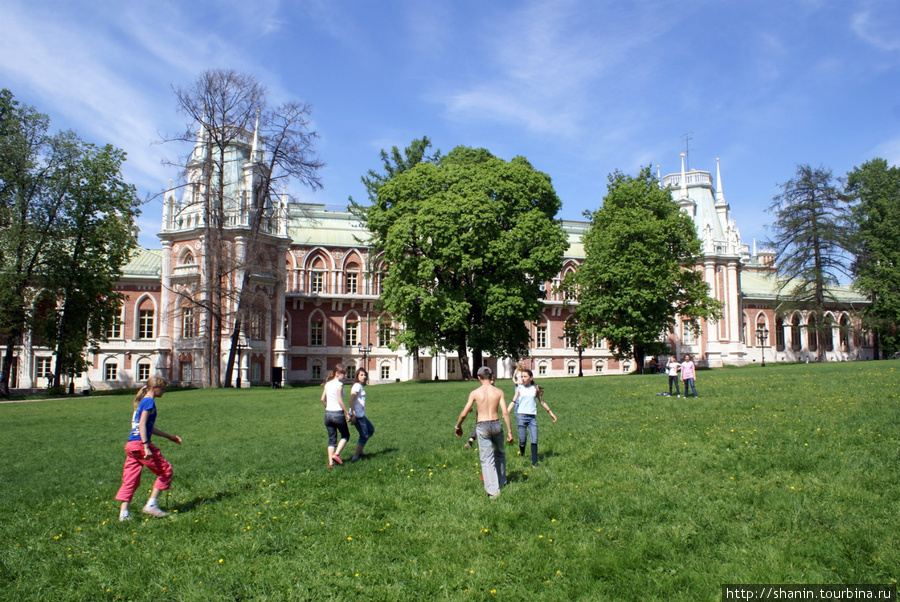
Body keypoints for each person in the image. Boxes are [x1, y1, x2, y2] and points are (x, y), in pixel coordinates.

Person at [115, 377, 182, 521]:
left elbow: (148, 426)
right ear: (153, 388)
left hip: (131, 445)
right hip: (140, 444)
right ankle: (151, 505)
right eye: (162, 389)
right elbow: (142, 424)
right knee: (165, 470)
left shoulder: (142, 402)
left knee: (131, 479)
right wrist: (146, 446)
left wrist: (169, 437)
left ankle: (124, 514)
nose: (164, 392)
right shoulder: (149, 401)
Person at [454, 366, 512, 499]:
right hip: (496, 424)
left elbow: (464, 413)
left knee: (487, 459)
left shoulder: (475, 393)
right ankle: (502, 481)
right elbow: (505, 412)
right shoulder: (498, 392)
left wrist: (458, 426)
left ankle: (493, 491)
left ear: (479, 378)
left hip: (482, 425)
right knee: (500, 454)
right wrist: (509, 431)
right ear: (491, 376)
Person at [507, 369, 557, 467]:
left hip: (532, 417)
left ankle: (534, 462)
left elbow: (541, 402)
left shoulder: (535, 388)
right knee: (522, 440)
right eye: (522, 377)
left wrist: (550, 412)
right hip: (521, 416)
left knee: (534, 439)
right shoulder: (519, 388)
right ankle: (522, 453)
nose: (523, 378)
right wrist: (506, 411)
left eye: (525, 376)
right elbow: (513, 401)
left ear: (531, 378)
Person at [321, 364, 351, 467]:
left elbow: (322, 399)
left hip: (328, 414)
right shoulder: (339, 385)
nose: (345, 376)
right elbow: (340, 400)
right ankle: (336, 454)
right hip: (337, 414)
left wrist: (327, 407)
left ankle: (330, 463)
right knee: (346, 435)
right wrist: (347, 413)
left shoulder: (327, 384)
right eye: (343, 373)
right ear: (337, 374)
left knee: (332, 439)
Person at [349, 368, 375, 461]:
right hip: (357, 415)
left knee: (370, 430)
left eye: (364, 375)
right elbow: (351, 400)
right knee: (364, 435)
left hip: (361, 414)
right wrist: (353, 414)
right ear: (357, 376)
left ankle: (360, 450)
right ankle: (355, 457)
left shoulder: (360, 386)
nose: (364, 377)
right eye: (361, 375)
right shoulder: (356, 386)